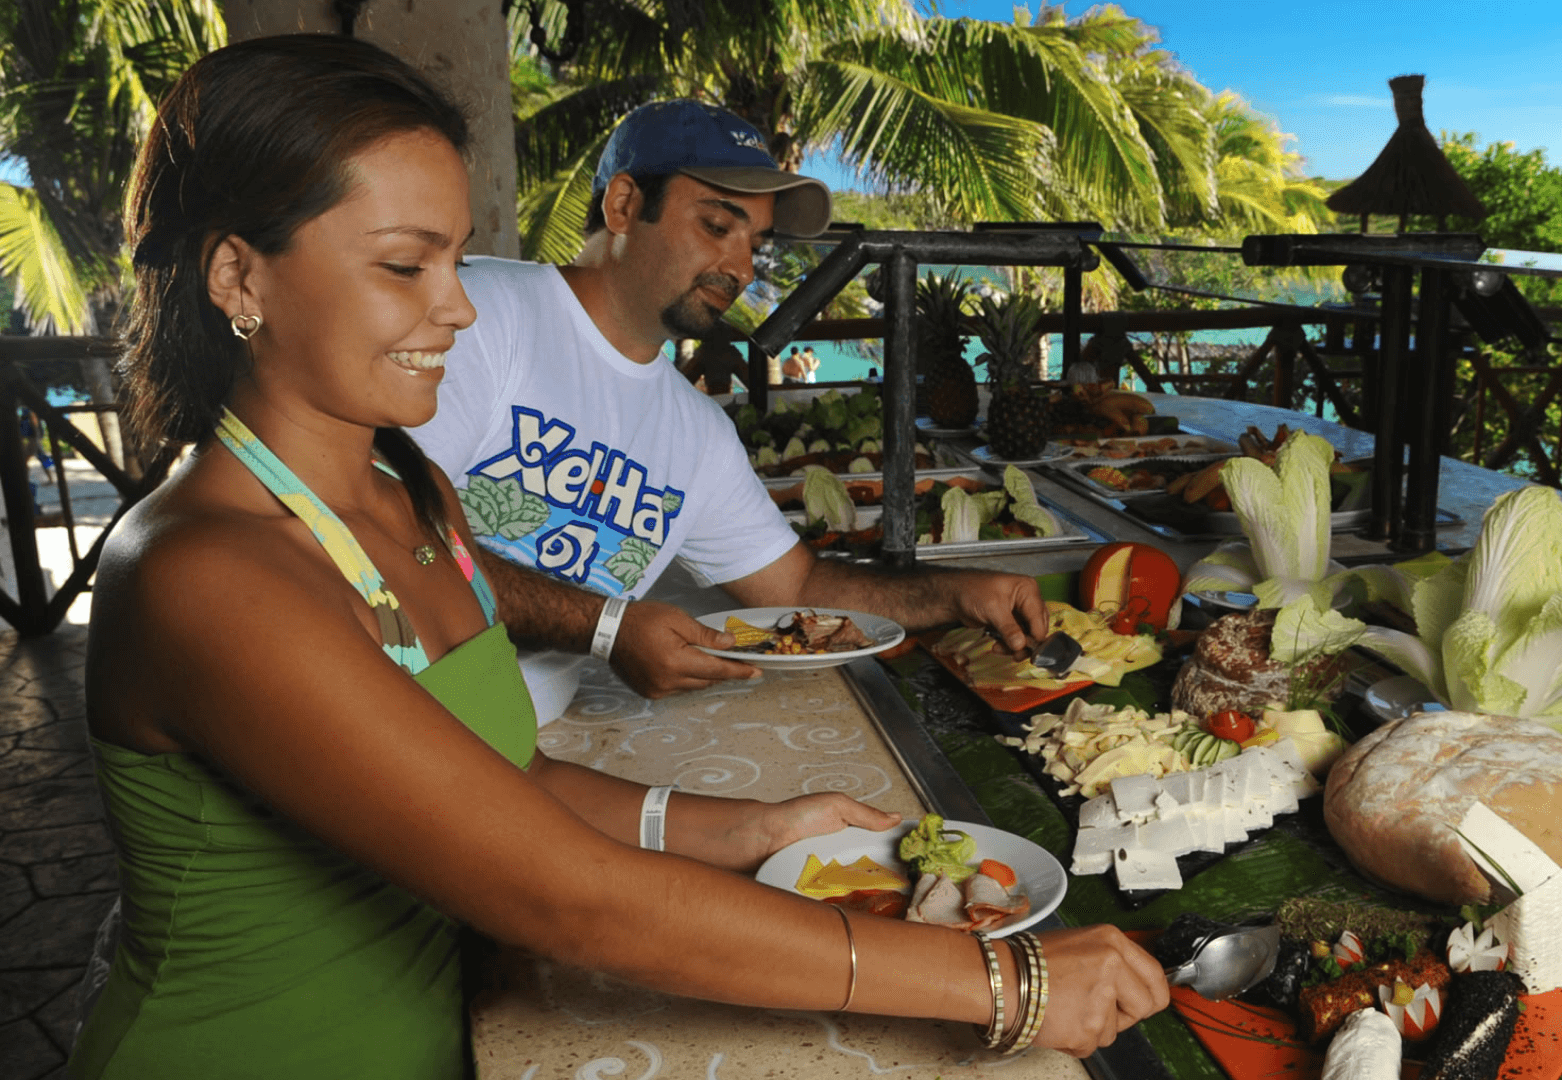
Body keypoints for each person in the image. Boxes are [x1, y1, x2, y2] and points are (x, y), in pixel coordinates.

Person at [74, 35, 1165, 1080]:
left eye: (454, 259)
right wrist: (995, 980)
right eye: (406, 265)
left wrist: (754, 830)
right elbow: (562, 896)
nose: (456, 306)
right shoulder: (204, 574)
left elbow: (507, 779)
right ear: (236, 279)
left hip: (433, 1035)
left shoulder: (407, 487)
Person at [411, 100, 1051, 720]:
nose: (742, 268)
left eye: (757, 242)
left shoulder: (696, 433)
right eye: (717, 227)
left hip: (519, 740)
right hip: (402, 719)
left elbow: (798, 591)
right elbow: (394, 532)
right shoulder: (481, 317)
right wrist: (607, 628)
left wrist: (959, 592)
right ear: (625, 205)